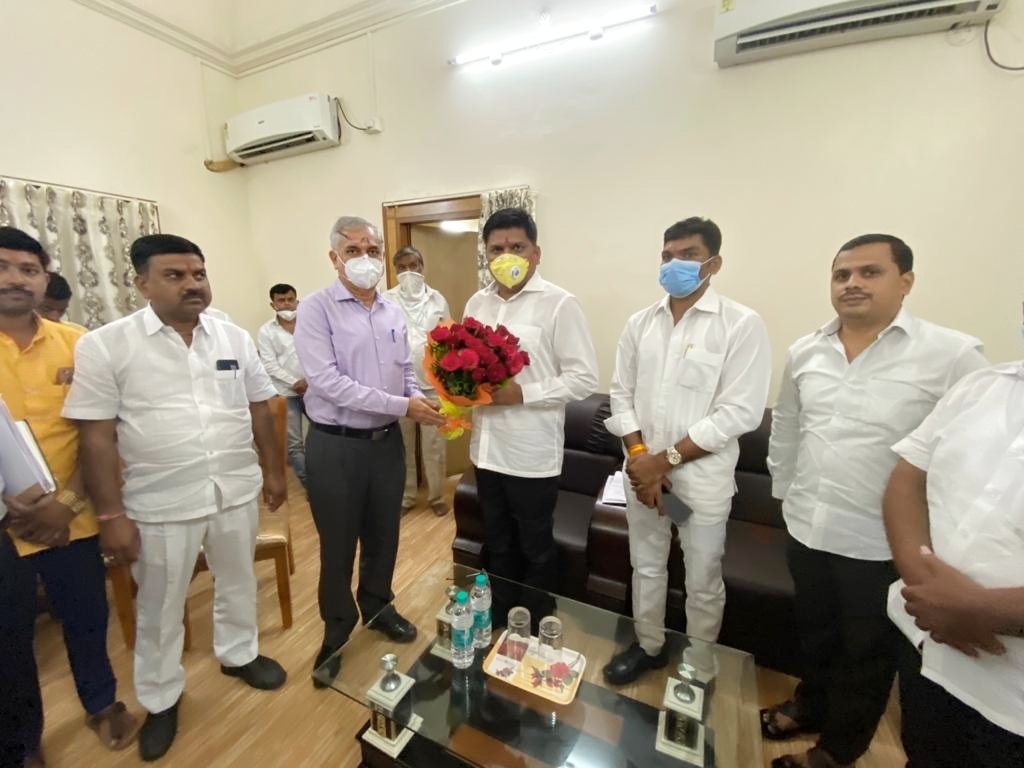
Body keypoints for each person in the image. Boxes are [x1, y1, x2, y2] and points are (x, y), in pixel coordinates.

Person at [763, 234, 987, 768]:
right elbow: (788, 426)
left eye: (870, 272)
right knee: (816, 634)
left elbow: (978, 453)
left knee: (866, 652)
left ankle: (839, 749)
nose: (852, 284)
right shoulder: (806, 350)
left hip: (884, 541)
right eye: (842, 275)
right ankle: (810, 704)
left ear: (905, 282)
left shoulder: (953, 355)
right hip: (808, 525)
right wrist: (785, 496)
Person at [64, 233, 288, 762]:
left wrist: (274, 472)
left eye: (198, 274)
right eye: (175, 275)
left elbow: (260, 407)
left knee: (238, 579)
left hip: (233, 487)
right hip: (159, 500)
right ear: (142, 283)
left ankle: (238, 653)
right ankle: (161, 697)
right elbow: (96, 436)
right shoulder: (106, 345)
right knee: (160, 605)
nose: (192, 284)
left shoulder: (233, 338)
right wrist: (110, 514)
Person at [602, 217, 772, 685]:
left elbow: (738, 413)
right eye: (667, 255)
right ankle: (649, 646)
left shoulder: (740, 324)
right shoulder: (640, 323)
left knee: (701, 580)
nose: (674, 264)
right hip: (643, 478)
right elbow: (621, 395)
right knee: (646, 566)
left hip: (699, 484)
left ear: (713, 263)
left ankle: (699, 665)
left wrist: (663, 462)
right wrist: (641, 459)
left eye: (689, 255)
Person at [0, 226, 137, 764]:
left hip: (71, 519)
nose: (16, 278)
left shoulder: (80, 343)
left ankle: (101, 704)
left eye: (28, 269)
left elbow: (103, 434)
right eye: (3, 266)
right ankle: (21, 741)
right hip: (4, 527)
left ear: (44, 277)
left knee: (86, 619)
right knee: (9, 639)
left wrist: (69, 504)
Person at [295, 216, 445, 688]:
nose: (365, 259)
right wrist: (403, 405)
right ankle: (337, 630)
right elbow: (328, 383)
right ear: (334, 257)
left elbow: (404, 371)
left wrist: (418, 397)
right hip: (336, 445)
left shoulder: (391, 309)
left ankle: (379, 607)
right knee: (338, 544)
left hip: (385, 444)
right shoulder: (315, 309)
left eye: (373, 250)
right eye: (353, 250)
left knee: (384, 536)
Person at [883, 314, 1024, 768]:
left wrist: (982, 610)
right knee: (922, 753)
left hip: (1013, 695)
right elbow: (907, 480)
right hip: (928, 642)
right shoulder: (983, 387)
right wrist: (928, 589)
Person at [464, 208, 598, 624]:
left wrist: (523, 393)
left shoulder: (560, 303)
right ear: (486, 255)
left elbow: (583, 378)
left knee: (536, 547)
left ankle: (536, 620)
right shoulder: (476, 303)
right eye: (496, 249)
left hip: (531, 453)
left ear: (536, 253)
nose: (506, 255)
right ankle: (501, 614)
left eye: (517, 247)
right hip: (486, 449)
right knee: (498, 542)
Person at [383, 246, 451, 516]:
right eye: (402, 267)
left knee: (435, 446)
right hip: (399, 388)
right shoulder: (385, 300)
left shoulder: (437, 300)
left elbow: (449, 339)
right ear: (395, 270)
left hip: (433, 385)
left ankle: (436, 496)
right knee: (403, 446)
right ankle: (407, 497)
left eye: (414, 265)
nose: (409, 271)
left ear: (422, 267)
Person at [257, 282, 308, 489]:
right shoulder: (266, 331)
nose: (286, 304)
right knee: (294, 444)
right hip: (286, 393)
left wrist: (310, 381)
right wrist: (294, 382)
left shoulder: (309, 324)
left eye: (290, 299)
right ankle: (309, 485)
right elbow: (269, 364)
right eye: (281, 300)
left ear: (297, 301)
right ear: (273, 304)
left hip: (314, 391)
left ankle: (325, 481)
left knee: (324, 437)